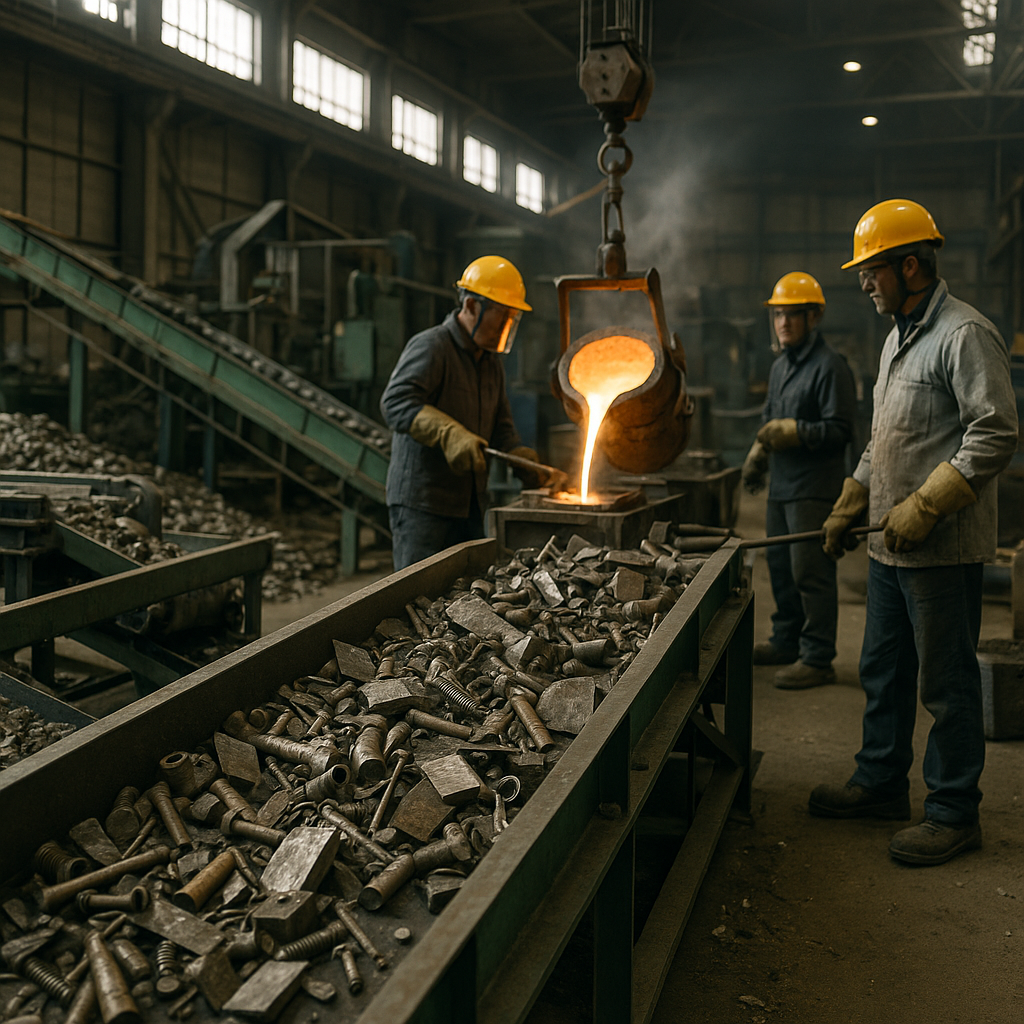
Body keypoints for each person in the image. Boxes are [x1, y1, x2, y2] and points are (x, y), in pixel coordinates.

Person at [811, 199, 1018, 865]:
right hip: (887, 548)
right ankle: (879, 782)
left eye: (872, 270)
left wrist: (927, 504)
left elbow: (995, 433)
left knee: (946, 683)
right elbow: (884, 437)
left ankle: (955, 811)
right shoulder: (897, 336)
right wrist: (853, 496)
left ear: (909, 265)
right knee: (883, 670)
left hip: (938, 550)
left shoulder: (964, 334)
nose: (864, 282)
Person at [380, 255, 547, 570]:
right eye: (502, 317)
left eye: (512, 319)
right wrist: (448, 432)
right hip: (423, 505)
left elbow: (502, 428)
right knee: (417, 598)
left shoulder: (491, 364)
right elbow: (395, 402)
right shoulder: (432, 346)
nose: (506, 327)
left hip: (470, 505)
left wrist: (520, 456)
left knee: (466, 596)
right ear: (471, 306)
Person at [741, 272, 857, 689]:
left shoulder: (831, 367)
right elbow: (769, 417)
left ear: (814, 317)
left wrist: (796, 431)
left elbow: (841, 430)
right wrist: (760, 451)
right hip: (783, 488)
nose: (784, 323)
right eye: (778, 315)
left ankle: (817, 656)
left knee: (811, 572)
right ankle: (786, 641)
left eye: (793, 315)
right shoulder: (779, 368)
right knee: (782, 570)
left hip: (814, 488)